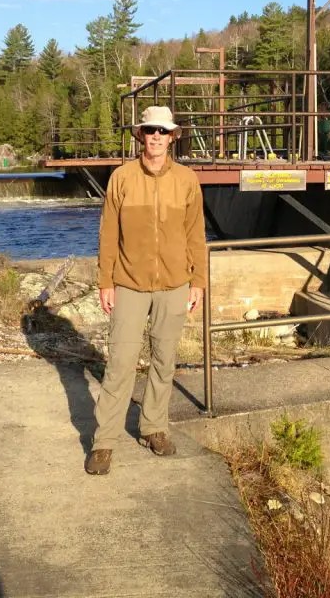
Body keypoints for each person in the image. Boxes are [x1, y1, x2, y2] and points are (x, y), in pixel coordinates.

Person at [85, 105, 207, 476]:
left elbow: (195, 234)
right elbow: (108, 234)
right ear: (141, 135)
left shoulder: (187, 180)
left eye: (162, 131)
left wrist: (198, 281)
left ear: (172, 137)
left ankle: (153, 427)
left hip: (174, 285)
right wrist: (105, 280)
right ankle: (104, 442)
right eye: (149, 130)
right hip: (129, 285)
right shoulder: (121, 178)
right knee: (120, 364)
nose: (155, 136)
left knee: (164, 361)